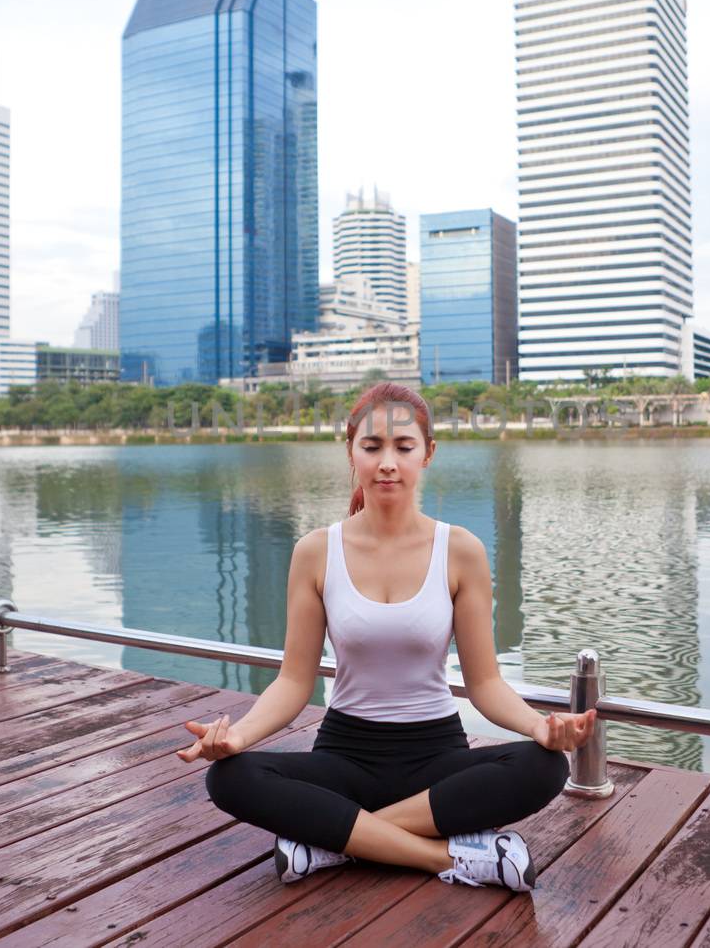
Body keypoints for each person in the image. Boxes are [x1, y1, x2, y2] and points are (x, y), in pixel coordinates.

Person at [177, 382, 597, 892]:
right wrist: (236, 738)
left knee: (543, 767)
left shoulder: (460, 550)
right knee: (228, 778)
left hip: (437, 757)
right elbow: (292, 682)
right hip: (344, 755)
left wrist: (540, 728)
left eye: (404, 447)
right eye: (372, 447)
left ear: (428, 455)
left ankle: (331, 839)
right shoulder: (316, 551)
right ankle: (452, 856)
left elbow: (485, 684)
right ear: (351, 451)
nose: (387, 463)